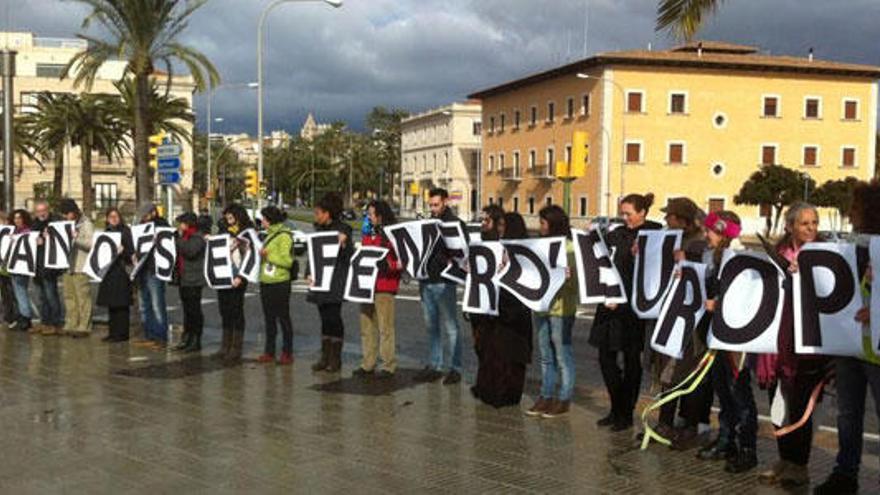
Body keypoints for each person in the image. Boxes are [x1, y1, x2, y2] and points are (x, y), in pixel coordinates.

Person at [815, 180, 880, 494]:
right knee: (847, 414)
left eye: (855, 208)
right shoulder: (851, 246)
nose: (850, 213)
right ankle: (845, 475)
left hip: (876, 350)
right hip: (849, 346)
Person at [757, 202, 827, 489]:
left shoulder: (825, 255)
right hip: (776, 342)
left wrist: (808, 273)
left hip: (805, 345)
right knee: (778, 404)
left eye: (814, 223)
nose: (811, 228)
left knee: (800, 406)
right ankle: (784, 459)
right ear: (790, 226)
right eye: (805, 224)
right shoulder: (778, 254)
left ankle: (800, 466)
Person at [590, 193, 662, 431]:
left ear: (642, 213)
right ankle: (616, 406)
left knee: (632, 361)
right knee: (605, 358)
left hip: (633, 309)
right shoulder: (615, 234)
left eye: (628, 214)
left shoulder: (655, 234)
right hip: (610, 305)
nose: (625, 218)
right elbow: (600, 261)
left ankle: (626, 412)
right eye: (622, 213)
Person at [693, 211, 759, 473]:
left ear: (722, 233)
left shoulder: (739, 259)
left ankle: (747, 447)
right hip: (716, 333)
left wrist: (720, 304)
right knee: (722, 388)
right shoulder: (711, 256)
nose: (705, 235)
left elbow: (747, 297)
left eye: (710, 230)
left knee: (739, 391)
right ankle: (726, 439)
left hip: (736, 338)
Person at [654, 197, 711, 449]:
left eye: (670, 216)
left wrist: (686, 257)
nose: (666, 220)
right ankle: (665, 422)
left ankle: (689, 425)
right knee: (668, 372)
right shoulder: (671, 239)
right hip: (672, 317)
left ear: (681, 219)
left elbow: (706, 273)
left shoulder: (698, 244)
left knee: (689, 375)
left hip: (693, 323)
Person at [474, 210, 534, 408]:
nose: (499, 230)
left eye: (502, 226)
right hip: (496, 308)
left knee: (510, 355)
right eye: (498, 226)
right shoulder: (496, 247)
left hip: (514, 312)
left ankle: (507, 393)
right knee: (494, 352)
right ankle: (490, 390)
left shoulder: (524, 251)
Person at [526, 205, 578, 418]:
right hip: (541, 308)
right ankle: (545, 395)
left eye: (543, 223)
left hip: (561, 308)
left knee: (562, 355)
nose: (540, 227)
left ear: (553, 224)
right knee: (546, 356)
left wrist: (565, 277)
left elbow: (575, 283)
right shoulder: (540, 245)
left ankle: (564, 398)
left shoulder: (569, 248)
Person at [413, 188, 467, 385]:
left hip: (444, 281)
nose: (433, 208)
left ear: (445, 202)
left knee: (451, 326)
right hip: (426, 279)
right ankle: (435, 365)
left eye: (436, 205)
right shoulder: (427, 224)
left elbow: (463, 252)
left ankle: (455, 368)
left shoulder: (456, 224)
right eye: (431, 205)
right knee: (431, 326)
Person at [353, 200, 400, 378]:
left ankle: (388, 365)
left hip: (384, 286)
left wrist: (390, 265)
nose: (368, 217)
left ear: (380, 216)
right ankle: (368, 363)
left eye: (371, 214)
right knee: (366, 326)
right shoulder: (368, 234)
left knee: (385, 327)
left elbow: (403, 261)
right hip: (366, 286)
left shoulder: (392, 235)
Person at [307, 193, 354, 373]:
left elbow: (349, 256)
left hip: (335, 280)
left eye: (318, 212)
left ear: (328, 213)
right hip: (320, 280)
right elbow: (313, 254)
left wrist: (343, 244)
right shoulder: (319, 230)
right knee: (324, 318)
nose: (316, 216)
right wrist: (309, 273)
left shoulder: (344, 229)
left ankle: (336, 358)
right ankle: (324, 356)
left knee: (334, 317)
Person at [213, 204, 253, 363]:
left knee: (236, 310)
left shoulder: (247, 232)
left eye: (231, 218)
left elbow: (250, 257)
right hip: (223, 274)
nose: (228, 221)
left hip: (238, 276)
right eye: (226, 218)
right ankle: (225, 345)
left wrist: (241, 277)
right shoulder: (224, 230)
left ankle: (236, 347)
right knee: (224, 310)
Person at [256, 206, 295, 365]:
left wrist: (269, 255)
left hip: (280, 282)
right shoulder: (268, 235)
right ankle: (269, 351)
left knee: (283, 318)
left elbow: (287, 261)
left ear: (270, 219)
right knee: (269, 319)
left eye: (264, 219)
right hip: (266, 281)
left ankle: (287, 352)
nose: (262, 222)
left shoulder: (284, 236)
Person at [135, 203, 170, 347]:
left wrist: (159, 239)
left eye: (146, 214)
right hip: (142, 268)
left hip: (155, 269)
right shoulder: (140, 226)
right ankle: (149, 334)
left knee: (157, 304)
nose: (144, 217)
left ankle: (160, 336)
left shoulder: (162, 225)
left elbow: (168, 243)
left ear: (153, 213)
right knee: (144, 304)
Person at [97, 207, 134, 343]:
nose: (113, 219)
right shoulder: (106, 232)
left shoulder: (125, 231)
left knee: (121, 304)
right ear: (107, 219)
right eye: (111, 216)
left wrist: (123, 252)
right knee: (111, 304)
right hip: (108, 272)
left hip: (121, 271)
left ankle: (122, 333)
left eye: (116, 216)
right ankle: (112, 332)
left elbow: (131, 253)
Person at [59, 199, 94, 338]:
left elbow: (90, 244)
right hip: (67, 266)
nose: (65, 217)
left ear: (73, 212)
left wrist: (76, 239)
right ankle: (71, 323)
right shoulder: (65, 225)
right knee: (69, 297)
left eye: (67, 213)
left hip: (80, 265)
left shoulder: (86, 224)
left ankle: (84, 325)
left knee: (82, 297)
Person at [173, 212, 206, 353]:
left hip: (194, 279)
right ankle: (187, 337)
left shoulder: (197, 237)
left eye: (182, 223)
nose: (179, 226)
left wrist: (178, 239)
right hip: (183, 278)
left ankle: (196, 339)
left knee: (194, 310)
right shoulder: (185, 237)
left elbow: (189, 251)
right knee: (187, 310)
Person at [31, 200, 65, 335]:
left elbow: (61, 240)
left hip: (49, 267)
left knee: (51, 295)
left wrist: (46, 239)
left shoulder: (55, 223)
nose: (41, 213)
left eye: (43, 210)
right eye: (38, 211)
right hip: (36, 266)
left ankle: (55, 322)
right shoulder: (34, 224)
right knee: (41, 297)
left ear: (48, 210)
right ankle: (45, 322)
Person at [10, 209, 34, 332]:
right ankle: (23, 316)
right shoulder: (14, 231)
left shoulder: (26, 231)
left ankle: (26, 317)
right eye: (15, 218)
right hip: (14, 265)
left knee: (21, 291)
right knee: (18, 292)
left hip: (22, 266)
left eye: (19, 218)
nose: (17, 220)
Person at [0, 211, 19, 330]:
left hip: (5, 267)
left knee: (8, 293)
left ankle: (11, 317)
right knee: (5, 293)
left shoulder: (10, 231)